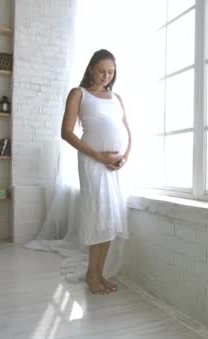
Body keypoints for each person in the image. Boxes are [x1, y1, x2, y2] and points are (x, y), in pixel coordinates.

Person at [61, 49, 131, 294]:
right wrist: (98, 155)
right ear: (91, 68)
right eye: (101, 70)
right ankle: (92, 274)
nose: (106, 76)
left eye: (110, 72)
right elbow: (67, 132)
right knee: (98, 216)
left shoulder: (117, 98)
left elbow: (128, 133)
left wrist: (124, 158)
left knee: (111, 218)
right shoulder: (79, 94)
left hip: (114, 167)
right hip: (93, 162)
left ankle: (100, 273)